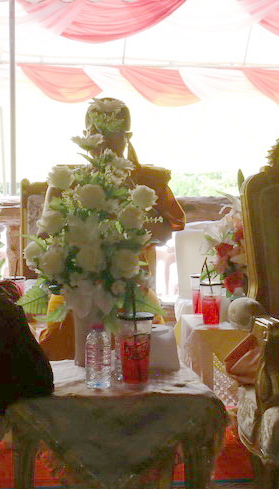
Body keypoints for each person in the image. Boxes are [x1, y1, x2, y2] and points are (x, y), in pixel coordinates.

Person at [38, 98, 181, 360]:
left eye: (113, 133)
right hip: (76, 286)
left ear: (128, 136)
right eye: (96, 133)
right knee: (62, 335)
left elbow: (166, 232)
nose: (104, 141)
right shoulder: (63, 181)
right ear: (85, 135)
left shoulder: (149, 181)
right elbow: (44, 236)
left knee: (142, 341)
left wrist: (134, 210)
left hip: (131, 284)